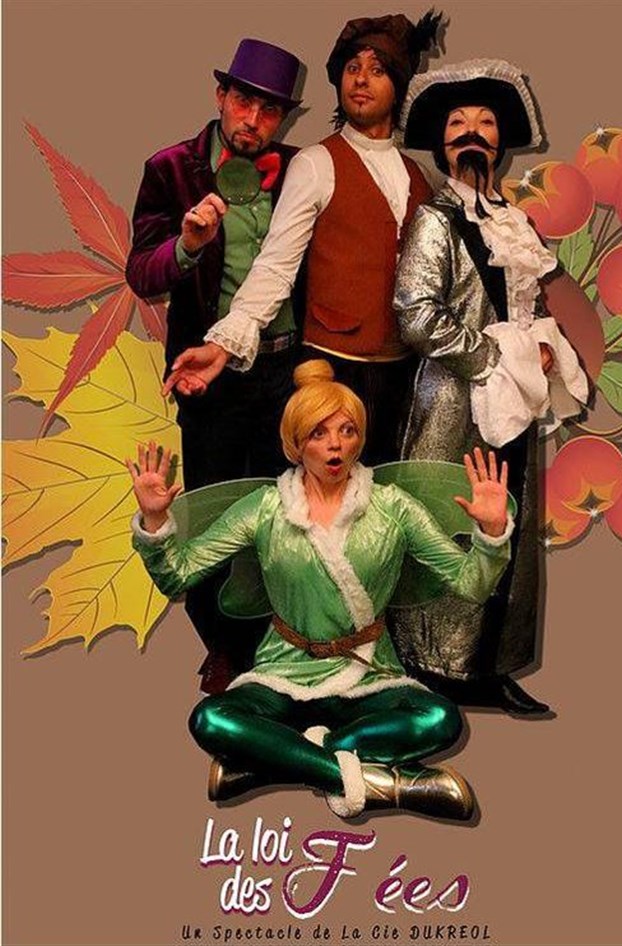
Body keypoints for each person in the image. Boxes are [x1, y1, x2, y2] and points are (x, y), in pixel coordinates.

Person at [128, 361, 513, 821]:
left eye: (347, 431)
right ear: (296, 443)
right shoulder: (265, 508)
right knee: (210, 719)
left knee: (440, 719)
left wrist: (491, 534)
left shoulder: (394, 507)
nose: (336, 444)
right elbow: (178, 575)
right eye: (319, 433)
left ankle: (271, 762)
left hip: (367, 673)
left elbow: (471, 585)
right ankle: (389, 784)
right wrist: (155, 521)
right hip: (283, 674)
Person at [391, 59, 593, 715]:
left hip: (515, 401)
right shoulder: (434, 219)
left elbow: (524, 306)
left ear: (500, 142)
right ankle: (429, 667)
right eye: (458, 124)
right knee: (448, 524)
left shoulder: (514, 222)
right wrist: (491, 358)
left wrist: (542, 349)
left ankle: (491, 665)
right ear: (443, 144)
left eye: (484, 123)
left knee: (509, 523)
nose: (472, 133)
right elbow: (416, 313)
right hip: (453, 401)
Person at [163, 12, 441, 465]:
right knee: (327, 497)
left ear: (399, 84)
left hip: (403, 371)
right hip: (330, 367)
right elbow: (276, 264)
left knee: (390, 493)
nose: (361, 80)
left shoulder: (421, 176)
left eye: (376, 70)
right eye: (352, 68)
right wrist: (224, 343)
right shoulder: (316, 163)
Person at [125, 39, 305, 694]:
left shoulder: (301, 169)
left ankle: (287, 642)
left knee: (289, 508)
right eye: (244, 101)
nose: (253, 120)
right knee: (212, 510)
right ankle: (224, 647)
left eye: (270, 110)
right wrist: (187, 245)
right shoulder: (170, 169)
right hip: (210, 373)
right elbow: (141, 274)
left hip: (290, 368)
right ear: (220, 96)